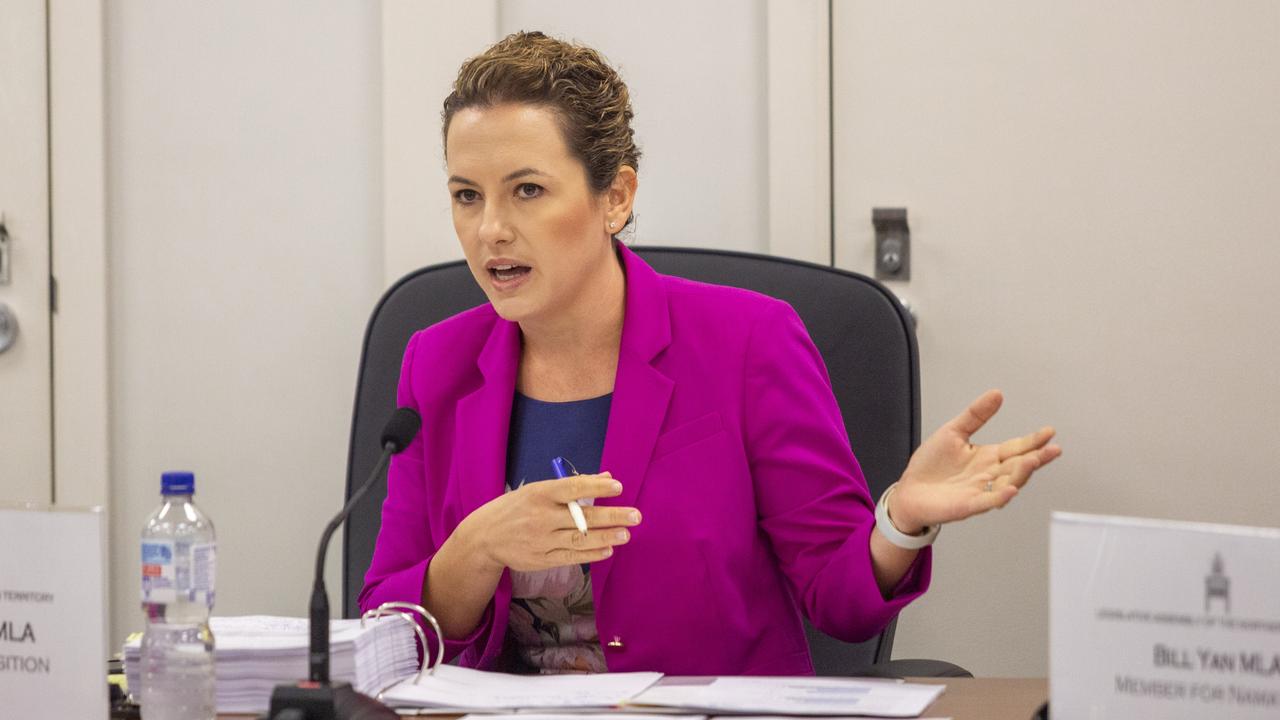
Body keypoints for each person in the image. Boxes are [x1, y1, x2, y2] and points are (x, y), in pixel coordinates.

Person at [359, 31, 1061, 675]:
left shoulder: (747, 343)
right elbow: (387, 628)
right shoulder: (438, 363)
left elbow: (838, 600)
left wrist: (902, 520)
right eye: (466, 195)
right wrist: (476, 549)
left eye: (528, 191)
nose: (490, 231)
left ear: (616, 197)